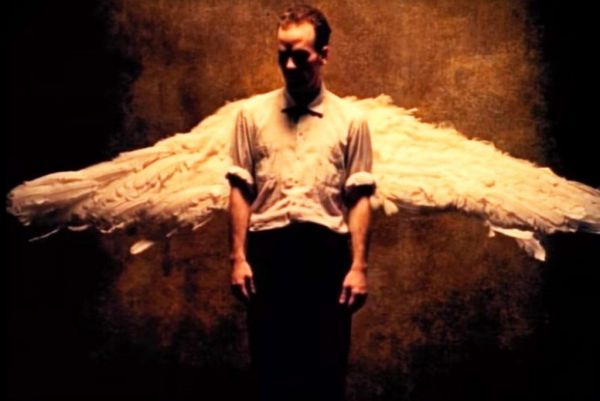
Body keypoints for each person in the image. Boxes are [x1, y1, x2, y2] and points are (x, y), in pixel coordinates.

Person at [225, 5, 375, 401]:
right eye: (283, 55)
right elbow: (240, 189)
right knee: (271, 373)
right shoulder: (250, 116)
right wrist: (238, 258)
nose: (289, 66)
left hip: (326, 257)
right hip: (268, 255)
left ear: (324, 54)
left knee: (325, 374)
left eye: (300, 56)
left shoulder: (352, 120)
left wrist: (359, 267)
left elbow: (359, 197)